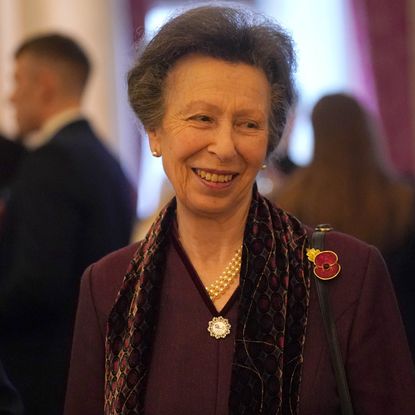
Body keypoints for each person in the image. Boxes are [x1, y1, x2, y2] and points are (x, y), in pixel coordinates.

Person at [64, 6, 415, 415]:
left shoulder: (346, 274)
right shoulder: (108, 285)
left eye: (248, 124)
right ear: (154, 131)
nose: (225, 147)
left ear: (270, 140)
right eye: (202, 118)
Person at [0, 34, 135, 415]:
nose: (11, 97)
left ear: (44, 85)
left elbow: (37, 283)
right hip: (90, 362)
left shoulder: (51, 162)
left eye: (17, 81)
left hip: (41, 375)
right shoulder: (106, 160)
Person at [276, 93, 415, 359]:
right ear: (368, 130)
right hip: (400, 345)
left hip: (324, 352)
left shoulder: (291, 202)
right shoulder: (405, 202)